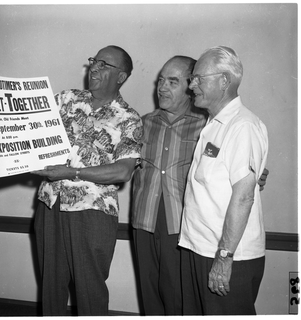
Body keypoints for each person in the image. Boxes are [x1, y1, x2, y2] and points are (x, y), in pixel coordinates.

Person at [31, 45, 143, 316]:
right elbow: (27, 126)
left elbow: (123, 171)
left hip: (93, 214)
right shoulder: (66, 99)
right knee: (51, 289)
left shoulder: (128, 118)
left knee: (89, 292)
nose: (94, 67)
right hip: (50, 206)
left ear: (121, 77)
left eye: (104, 64)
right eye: (94, 60)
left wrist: (71, 173)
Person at [178, 46, 269, 315]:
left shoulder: (242, 126)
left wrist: (224, 257)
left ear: (224, 81)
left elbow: (244, 196)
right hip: (199, 248)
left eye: (198, 79)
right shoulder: (213, 125)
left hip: (228, 257)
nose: (191, 85)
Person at [131, 55, 207, 315]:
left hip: (181, 226)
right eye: (160, 80)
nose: (162, 87)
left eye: (172, 82)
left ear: (191, 86)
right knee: (150, 298)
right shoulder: (142, 123)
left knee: (180, 300)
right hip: (144, 221)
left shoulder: (207, 127)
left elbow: (229, 166)